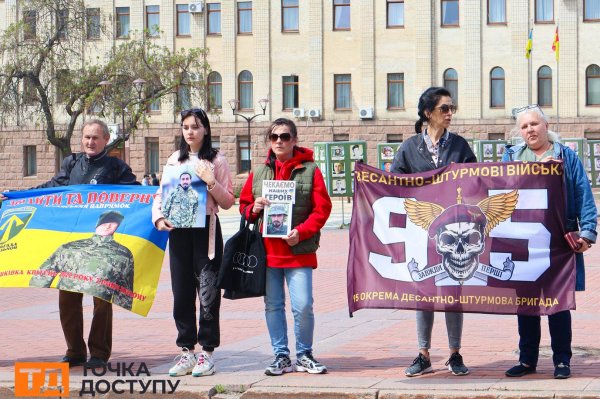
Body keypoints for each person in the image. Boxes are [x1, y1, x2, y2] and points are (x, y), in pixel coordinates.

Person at [0, 119, 138, 368]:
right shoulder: (71, 163)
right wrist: (17, 196)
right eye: (86, 137)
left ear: (106, 140)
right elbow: (50, 188)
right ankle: (74, 351)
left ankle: (98, 353)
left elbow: (137, 196)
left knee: (102, 300)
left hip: (102, 249)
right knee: (67, 299)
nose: (90, 142)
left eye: (95, 138)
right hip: (74, 243)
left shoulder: (116, 167)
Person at [502, 105, 597, 379]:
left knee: (558, 304)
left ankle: (562, 361)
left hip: (558, 241)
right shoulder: (510, 158)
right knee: (526, 303)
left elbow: (582, 193)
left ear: (546, 125)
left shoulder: (566, 156)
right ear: (520, 132)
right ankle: (527, 359)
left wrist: (587, 233)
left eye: (534, 124)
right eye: (524, 126)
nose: (530, 130)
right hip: (523, 240)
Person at [391, 87, 476, 377]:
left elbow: (476, 182)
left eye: (452, 108)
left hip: (455, 233)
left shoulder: (460, 146)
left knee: (453, 291)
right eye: (444, 109)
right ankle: (423, 354)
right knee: (423, 292)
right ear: (429, 113)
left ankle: (454, 354)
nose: (450, 113)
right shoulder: (409, 147)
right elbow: (394, 184)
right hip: (420, 230)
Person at [239, 118, 332, 376]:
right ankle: (281, 355)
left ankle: (304, 354)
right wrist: (254, 207)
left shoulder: (310, 170)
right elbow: (245, 207)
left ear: (294, 140)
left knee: (302, 305)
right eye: (274, 137)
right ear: (269, 140)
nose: (279, 141)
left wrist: (301, 233)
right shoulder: (258, 172)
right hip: (267, 253)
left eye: (285, 136)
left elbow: (322, 209)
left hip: (298, 250)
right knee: (273, 305)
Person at [152, 107, 234, 378]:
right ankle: (187, 350)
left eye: (196, 126)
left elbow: (228, 201)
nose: (190, 131)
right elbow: (160, 194)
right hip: (178, 233)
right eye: (186, 127)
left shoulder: (216, 160)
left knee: (208, 294)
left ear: (206, 130)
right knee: (181, 292)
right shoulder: (175, 159)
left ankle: (207, 352)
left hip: (206, 232)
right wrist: (159, 218)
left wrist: (211, 183)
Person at [30, 211, 134, 311]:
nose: (108, 226)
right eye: (105, 222)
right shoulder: (70, 247)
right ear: (97, 224)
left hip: (102, 291)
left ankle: (100, 330)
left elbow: (125, 283)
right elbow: (46, 271)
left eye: (114, 223)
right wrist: (37, 289)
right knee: (68, 309)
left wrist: (124, 304)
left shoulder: (123, 253)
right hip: (69, 289)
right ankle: (72, 330)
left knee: (102, 311)